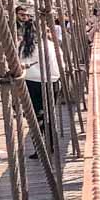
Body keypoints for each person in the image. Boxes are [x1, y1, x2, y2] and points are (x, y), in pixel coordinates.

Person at [18, 10, 60, 158]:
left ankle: (40, 148)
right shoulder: (50, 44)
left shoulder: (25, 47)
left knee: (36, 117)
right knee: (49, 114)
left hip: (32, 83)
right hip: (52, 82)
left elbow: (20, 65)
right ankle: (51, 145)